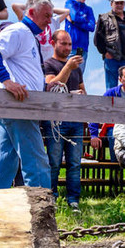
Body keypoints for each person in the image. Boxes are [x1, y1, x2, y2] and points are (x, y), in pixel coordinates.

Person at [0, 0, 54, 190]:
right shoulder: (19, 31)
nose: (49, 21)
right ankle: (42, 215)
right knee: (37, 163)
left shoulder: (28, 35)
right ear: (31, 12)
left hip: (16, 106)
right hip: (19, 106)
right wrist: (7, 81)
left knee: (4, 163)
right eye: (46, 15)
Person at [41, 30, 86, 210]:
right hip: (55, 121)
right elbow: (51, 87)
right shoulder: (48, 64)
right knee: (54, 162)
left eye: (69, 44)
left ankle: (73, 199)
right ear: (53, 43)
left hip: (75, 119)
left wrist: (80, 94)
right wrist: (67, 67)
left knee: (75, 163)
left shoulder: (76, 68)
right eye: (63, 44)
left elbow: (83, 90)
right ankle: (50, 198)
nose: (68, 48)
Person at [89, 65, 125, 161]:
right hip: (114, 127)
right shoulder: (111, 94)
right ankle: (115, 167)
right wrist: (94, 135)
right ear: (120, 79)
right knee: (113, 135)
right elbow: (96, 112)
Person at [64, 0, 94, 74]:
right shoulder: (69, 3)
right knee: (67, 75)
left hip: (83, 48)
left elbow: (92, 27)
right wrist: (84, 20)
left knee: (78, 77)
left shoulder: (88, 9)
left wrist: (75, 23)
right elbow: (74, 16)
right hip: (70, 47)